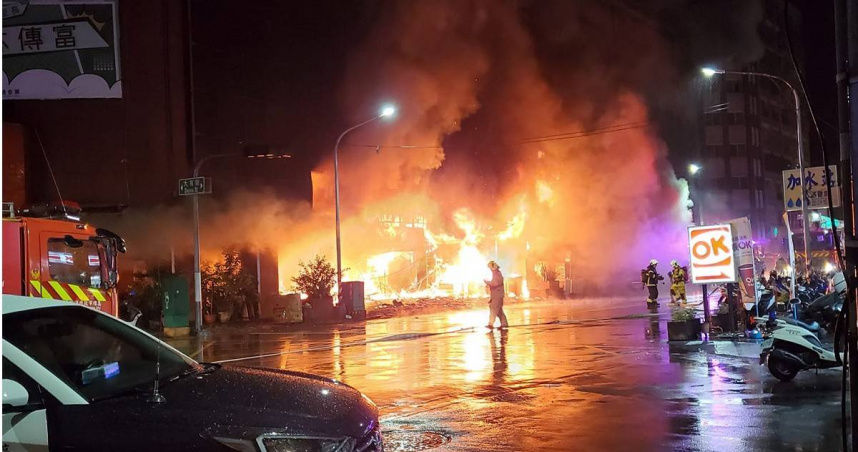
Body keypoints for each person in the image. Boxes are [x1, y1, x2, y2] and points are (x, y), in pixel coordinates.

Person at [484, 261, 509, 329]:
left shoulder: (497, 274)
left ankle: (490, 324)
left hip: (497, 295)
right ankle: (504, 324)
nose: (489, 269)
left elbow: (495, 283)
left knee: (493, 309)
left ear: (493, 267)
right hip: (497, 295)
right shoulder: (496, 273)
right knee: (499, 311)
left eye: (490, 267)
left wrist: (487, 282)